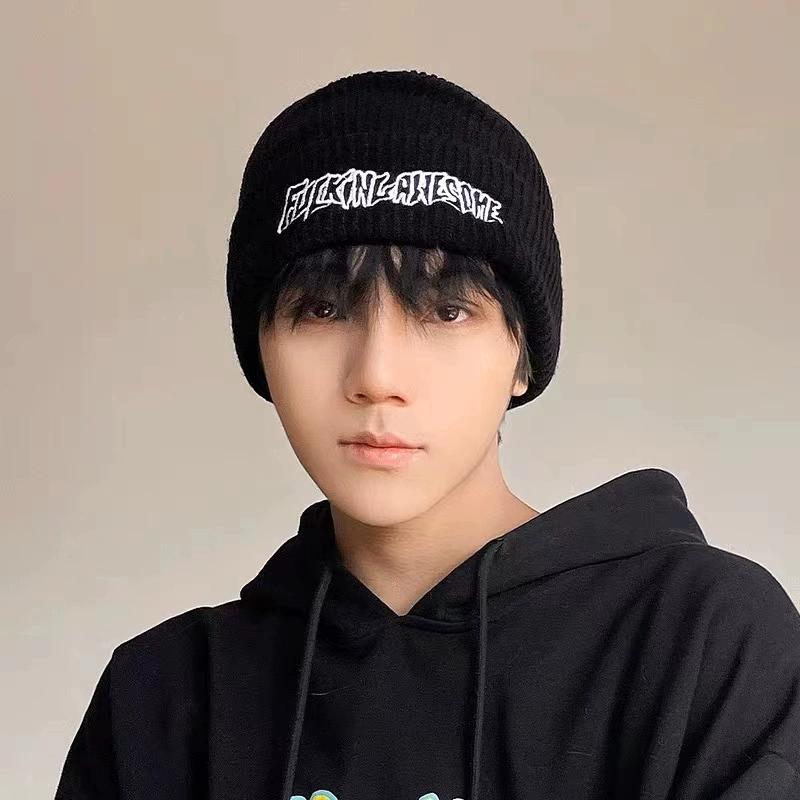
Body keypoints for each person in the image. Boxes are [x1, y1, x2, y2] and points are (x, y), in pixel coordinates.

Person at [55, 70, 800, 800]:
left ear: (523, 357)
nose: (376, 375)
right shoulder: (165, 697)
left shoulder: (703, 642)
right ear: (261, 353)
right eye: (322, 310)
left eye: (446, 311)